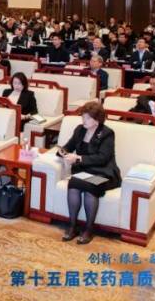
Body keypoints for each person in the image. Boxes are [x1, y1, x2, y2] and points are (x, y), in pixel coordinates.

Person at [60, 102, 120, 245]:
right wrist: (62, 152)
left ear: (97, 120)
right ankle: (72, 226)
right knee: (73, 183)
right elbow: (68, 146)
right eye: (83, 117)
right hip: (85, 171)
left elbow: (103, 158)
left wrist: (78, 158)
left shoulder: (107, 133)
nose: (83, 120)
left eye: (87, 118)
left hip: (103, 172)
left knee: (89, 188)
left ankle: (88, 230)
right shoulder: (80, 130)